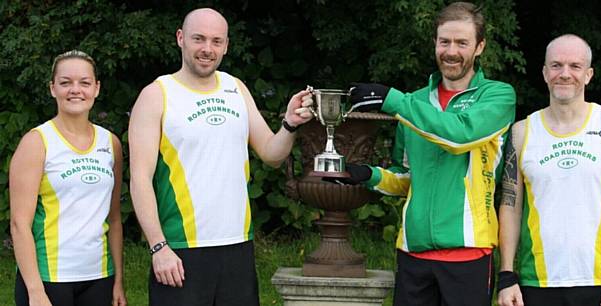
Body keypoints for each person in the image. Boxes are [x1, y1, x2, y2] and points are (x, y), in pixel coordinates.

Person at [127, 8, 313, 306]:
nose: (207, 49)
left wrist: (289, 123)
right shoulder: (157, 95)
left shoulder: (235, 88)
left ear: (226, 46)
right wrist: (158, 247)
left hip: (236, 246)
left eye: (216, 41)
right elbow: (139, 179)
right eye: (198, 39)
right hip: (180, 248)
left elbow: (271, 153)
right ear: (180, 39)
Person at [343, 2, 516, 305]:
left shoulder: (498, 95)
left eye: (462, 42)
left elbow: (460, 136)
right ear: (435, 43)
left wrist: (394, 102)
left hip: (468, 253)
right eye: (444, 41)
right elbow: (406, 177)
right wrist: (368, 175)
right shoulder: (415, 102)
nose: (451, 51)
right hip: (414, 252)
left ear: (480, 47)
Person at [496, 34, 601, 306]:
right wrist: (507, 275)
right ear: (544, 72)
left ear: (588, 75)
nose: (565, 74)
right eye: (556, 65)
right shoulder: (522, 131)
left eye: (575, 66)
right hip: (535, 283)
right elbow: (510, 206)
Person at [9, 50, 126, 306]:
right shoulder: (36, 142)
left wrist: (118, 280)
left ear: (96, 88)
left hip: (99, 276)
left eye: (84, 83)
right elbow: (19, 223)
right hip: (49, 277)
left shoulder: (111, 143)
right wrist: (35, 291)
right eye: (65, 82)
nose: (76, 90)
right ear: (53, 88)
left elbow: (114, 218)